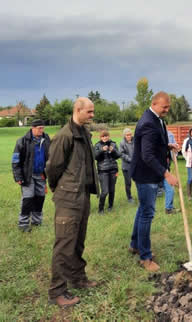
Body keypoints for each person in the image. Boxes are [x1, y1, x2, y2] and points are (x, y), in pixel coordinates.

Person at [46, 97, 99, 308]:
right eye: (89, 112)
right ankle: (57, 291)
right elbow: (53, 168)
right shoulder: (64, 136)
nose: (92, 115)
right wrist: (60, 189)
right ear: (78, 110)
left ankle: (77, 278)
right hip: (68, 198)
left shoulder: (84, 133)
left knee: (78, 240)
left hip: (82, 195)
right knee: (64, 245)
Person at [129, 91, 179, 272]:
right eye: (164, 107)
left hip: (147, 173)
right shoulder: (148, 122)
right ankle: (145, 257)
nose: (167, 110)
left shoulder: (156, 118)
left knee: (143, 209)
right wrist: (167, 174)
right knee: (147, 213)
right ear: (155, 103)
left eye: (168, 107)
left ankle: (135, 245)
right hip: (145, 175)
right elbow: (147, 155)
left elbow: (152, 144)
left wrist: (167, 146)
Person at [11, 119, 50, 231]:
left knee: (40, 198)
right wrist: (18, 177)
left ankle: (36, 221)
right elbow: (15, 161)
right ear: (32, 128)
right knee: (27, 199)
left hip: (41, 175)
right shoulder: (22, 141)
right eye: (39, 128)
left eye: (43, 128)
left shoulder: (46, 139)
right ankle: (23, 224)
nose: (41, 130)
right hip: (27, 175)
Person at [95, 130, 121, 213]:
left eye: (106, 136)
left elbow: (118, 155)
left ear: (108, 136)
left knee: (112, 190)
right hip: (103, 171)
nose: (105, 137)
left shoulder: (113, 144)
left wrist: (113, 150)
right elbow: (95, 156)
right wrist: (101, 150)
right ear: (100, 137)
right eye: (103, 136)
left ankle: (110, 206)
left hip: (113, 169)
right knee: (105, 191)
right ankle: (101, 209)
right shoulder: (97, 145)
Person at [163, 130, 179, 214]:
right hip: (158, 168)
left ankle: (169, 208)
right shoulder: (155, 136)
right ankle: (169, 208)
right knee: (169, 189)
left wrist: (175, 148)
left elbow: (173, 145)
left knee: (170, 189)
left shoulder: (169, 135)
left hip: (165, 166)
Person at [119, 128, 135, 203]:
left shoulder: (135, 141)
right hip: (126, 166)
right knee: (128, 183)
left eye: (130, 134)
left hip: (135, 165)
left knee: (139, 181)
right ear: (124, 135)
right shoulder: (122, 143)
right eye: (127, 135)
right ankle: (129, 197)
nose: (129, 136)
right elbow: (121, 154)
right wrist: (130, 159)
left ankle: (142, 195)